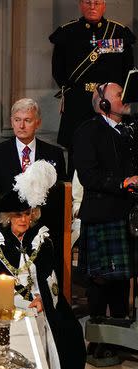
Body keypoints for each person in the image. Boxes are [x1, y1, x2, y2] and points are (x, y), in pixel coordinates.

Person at [0, 160, 90, 369]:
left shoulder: (41, 237)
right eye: (17, 215)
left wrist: (43, 299)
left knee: (63, 329)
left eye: (26, 214)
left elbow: (49, 276)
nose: (23, 220)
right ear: (7, 217)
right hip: (2, 303)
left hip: (36, 302)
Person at [73, 82, 136, 339]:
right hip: (102, 213)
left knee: (123, 278)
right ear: (104, 103)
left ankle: (120, 332)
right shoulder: (87, 131)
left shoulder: (131, 131)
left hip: (129, 214)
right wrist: (122, 182)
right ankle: (98, 336)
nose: (125, 98)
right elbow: (88, 175)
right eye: (119, 95)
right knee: (100, 277)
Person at [49, 0, 135, 170]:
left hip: (111, 106)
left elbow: (128, 71)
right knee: (78, 157)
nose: (92, 7)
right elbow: (58, 71)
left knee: (114, 154)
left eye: (97, 2)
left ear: (104, 5)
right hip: (78, 104)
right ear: (81, 4)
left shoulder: (118, 32)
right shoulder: (67, 32)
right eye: (88, 2)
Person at [0, 98, 66, 195]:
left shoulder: (54, 153)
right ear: (12, 122)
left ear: (38, 123)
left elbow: (62, 193)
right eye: (17, 120)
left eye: (27, 120)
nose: (21, 126)